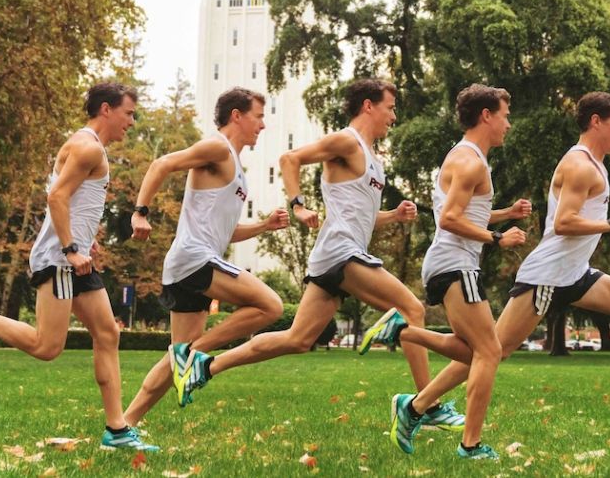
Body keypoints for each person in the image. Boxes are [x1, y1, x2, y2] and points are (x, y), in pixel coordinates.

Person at [371, 91, 610, 443]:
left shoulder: (595, 165)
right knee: (489, 351)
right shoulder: (579, 165)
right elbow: (563, 223)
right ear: (596, 121)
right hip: (548, 276)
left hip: (574, 272)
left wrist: (504, 215)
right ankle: (416, 404)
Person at [170, 79, 463, 432]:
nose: (394, 116)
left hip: (336, 255)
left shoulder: (373, 160)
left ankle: (207, 366)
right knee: (411, 309)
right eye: (390, 107)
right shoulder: (345, 141)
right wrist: (298, 205)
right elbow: (290, 158)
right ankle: (422, 407)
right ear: (369, 106)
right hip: (341, 253)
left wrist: (393, 216)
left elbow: (360, 218)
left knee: (298, 339)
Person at [0, 83, 157, 451]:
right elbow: (56, 196)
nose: (132, 121)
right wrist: (70, 248)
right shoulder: (88, 147)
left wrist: (84, 239)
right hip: (60, 259)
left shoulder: (86, 146)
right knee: (47, 346)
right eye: (128, 113)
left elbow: (72, 201)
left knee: (107, 333)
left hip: (74, 256)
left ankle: (116, 430)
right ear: (105, 109)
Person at [366, 84, 531, 459]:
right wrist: (496, 237)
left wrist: (504, 214)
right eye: (504, 115)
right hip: (456, 263)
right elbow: (451, 218)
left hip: (448, 263)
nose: (508, 123)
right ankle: (470, 445)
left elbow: (464, 212)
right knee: (490, 351)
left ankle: (412, 406)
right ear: (486, 115)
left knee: (474, 352)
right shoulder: (471, 161)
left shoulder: (462, 157)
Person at [122, 87, 289, 425]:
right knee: (271, 306)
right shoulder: (218, 148)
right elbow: (162, 163)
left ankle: (122, 425)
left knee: (174, 361)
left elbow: (225, 232)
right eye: (259, 116)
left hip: (191, 263)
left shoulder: (235, 166)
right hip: (194, 260)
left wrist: (263, 225)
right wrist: (140, 212)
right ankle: (195, 356)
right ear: (237, 116)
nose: (263, 125)